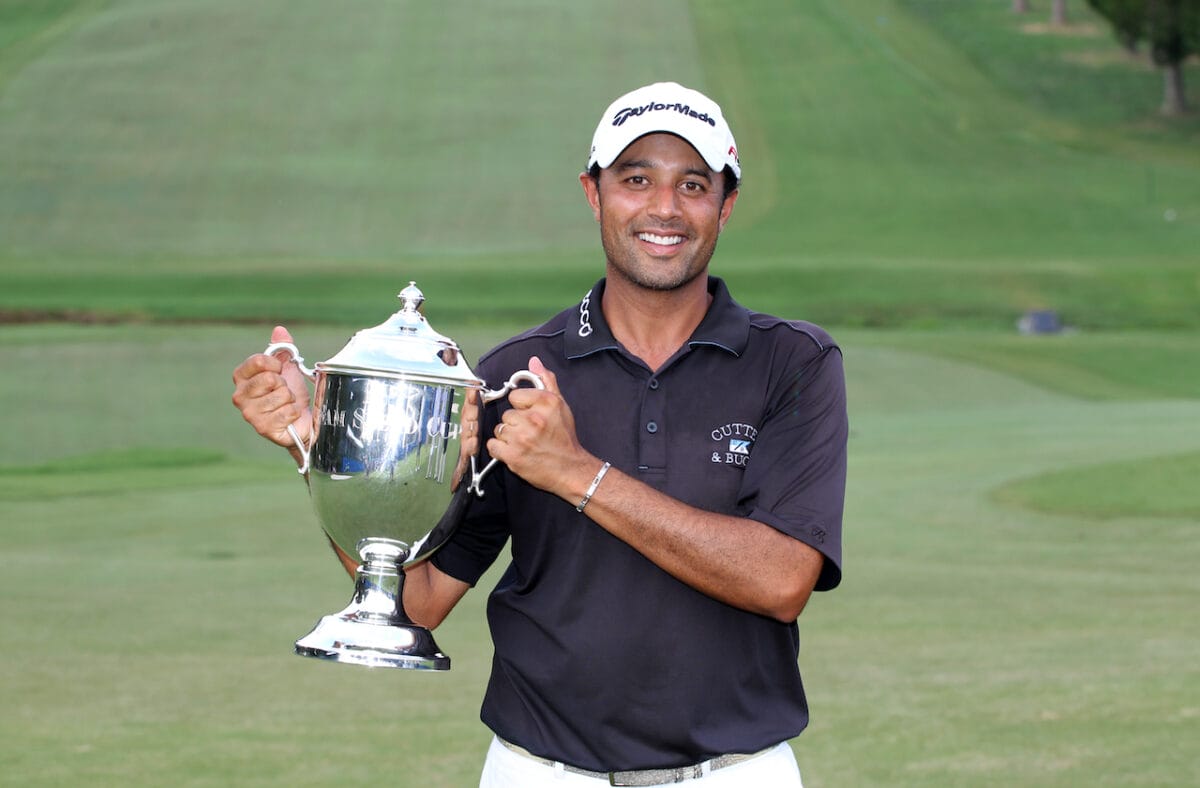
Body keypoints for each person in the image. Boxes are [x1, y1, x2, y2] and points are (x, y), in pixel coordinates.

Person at [232, 82, 848, 787]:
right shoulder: (517, 375)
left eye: (693, 184)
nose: (665, 208)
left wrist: (577, 472)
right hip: (539, 772)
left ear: (725, 206)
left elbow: (780, 580)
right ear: (593, 193)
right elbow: (420, 600)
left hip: (737, 773)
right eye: (636, 179)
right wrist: (323, 448)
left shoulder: (792, 362)